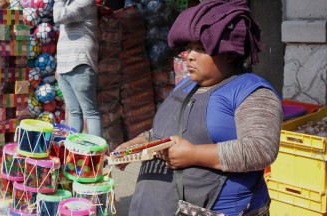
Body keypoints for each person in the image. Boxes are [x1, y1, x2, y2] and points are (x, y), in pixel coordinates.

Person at [114, 0, 283, 215]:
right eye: (189, 48)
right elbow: (173, 129)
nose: (190, 56)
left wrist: (194, 154)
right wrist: (139, 143)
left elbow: (260, 149)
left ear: (229, 53)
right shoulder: (186, 85)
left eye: (200, 49)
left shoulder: (251, 92)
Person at [53, 0, 102, 136]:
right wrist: (59, 66)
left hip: (79, 63)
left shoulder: (84, 2)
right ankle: (72, 154)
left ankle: (96, 155)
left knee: (90, 112)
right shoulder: (67, 4)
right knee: (74, 112)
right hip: (64, 66)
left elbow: (58, 17)